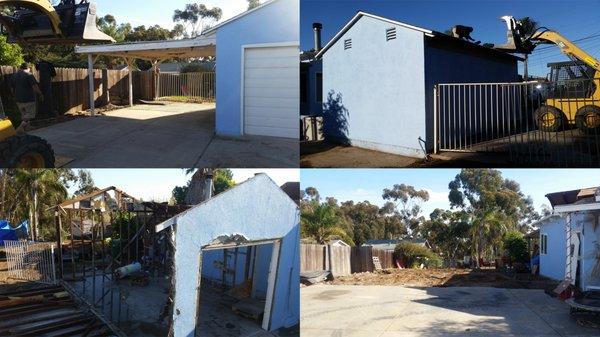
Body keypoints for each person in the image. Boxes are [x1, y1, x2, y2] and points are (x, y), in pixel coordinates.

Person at [11, 63, 43, 133]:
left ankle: (27, 128)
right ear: (28, 68)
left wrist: (14, 96)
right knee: (30, 115)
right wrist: (40, 94)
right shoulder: (29, 75)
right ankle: (19, 128)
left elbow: (12, 88)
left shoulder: (14, 75)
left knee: (24, 114)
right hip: (28, 99)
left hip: (18, 99)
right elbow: (34, 86)